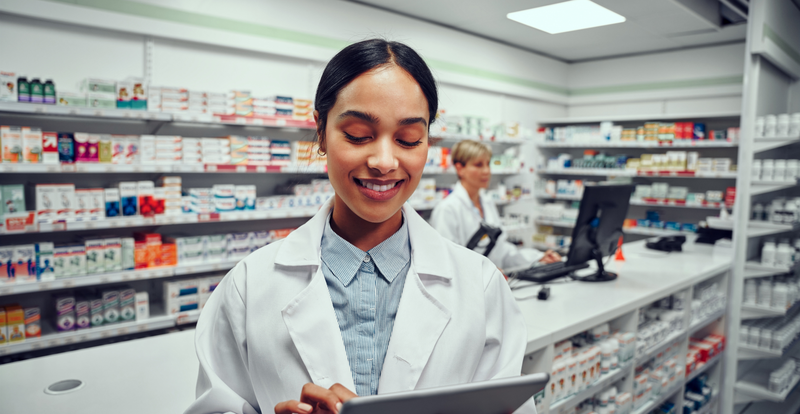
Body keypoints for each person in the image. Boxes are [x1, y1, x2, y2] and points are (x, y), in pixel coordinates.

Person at [186, 39, 536, 414]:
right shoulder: (249, 286)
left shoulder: (481, 287)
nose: (384, 161)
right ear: (320, 131)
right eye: (357, 135)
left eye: (408, 139)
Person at [430, 140, 561, 272]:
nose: (486, 171)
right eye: (478, 165)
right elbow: (448, 261)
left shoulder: (487, 203)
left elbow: (502, 252)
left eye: (488, 164)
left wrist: (537, 258)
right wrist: (486, 272)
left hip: (493, 285)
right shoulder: (447, 209)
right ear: (460, 169)